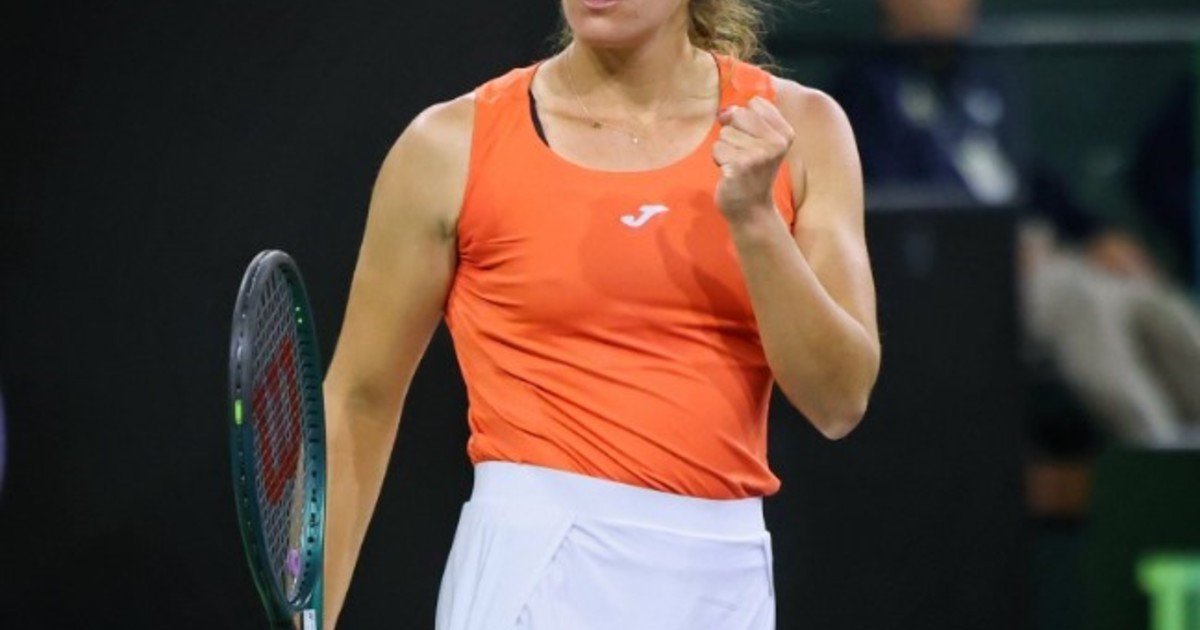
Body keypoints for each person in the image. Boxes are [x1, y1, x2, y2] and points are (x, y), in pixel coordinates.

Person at [321, 0, 881, 628]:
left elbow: (839, 401)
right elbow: (359, 401)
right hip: (532, 573)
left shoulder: (802, 129)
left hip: (729, 581)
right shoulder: (448, 145)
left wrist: (755, 219)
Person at [834, 0, 1200, 449]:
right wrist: (987, 244)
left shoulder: (981, 75)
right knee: (1083, 301)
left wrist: (1093, 233)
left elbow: (1032, 179)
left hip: (1045, 255)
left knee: (1149, 300)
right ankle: (1163, 451)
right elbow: (893, 207)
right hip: (967, 278)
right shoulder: (864, 91)